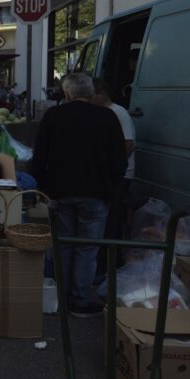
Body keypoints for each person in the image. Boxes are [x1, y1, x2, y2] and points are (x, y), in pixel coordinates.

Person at [32, 72, 126, 318]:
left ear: (67, 93)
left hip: (61, 192)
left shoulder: (54, 116)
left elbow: (39, 157)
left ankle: (60, 297)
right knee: (87, 248)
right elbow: (119, 159)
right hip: (96, 193)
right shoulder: (107, 117)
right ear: (90, 92)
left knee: (62, 245)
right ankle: (80, 300)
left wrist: (45, 186)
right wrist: (111, 188)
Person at [92, 78, 136, 263]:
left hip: (120, 175)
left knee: (112, 218)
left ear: (100, 93)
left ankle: (112, 261)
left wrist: (112, 168)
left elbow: (128, 144)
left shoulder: (119, 113)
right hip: (110, 174)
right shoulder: (104, 112)